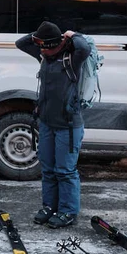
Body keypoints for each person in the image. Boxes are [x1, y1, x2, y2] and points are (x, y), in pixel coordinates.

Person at [15, 20, 95, 227]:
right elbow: (20, 43)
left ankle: (68, 211)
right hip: (47, 122)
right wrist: (40, 34)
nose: (41, 50)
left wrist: (71, 35)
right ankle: (50, 207)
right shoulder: (44, 55)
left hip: (68, 125)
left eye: (45, 45)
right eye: (40, 45)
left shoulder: (73, 57)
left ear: (55, 44)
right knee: (48, 169)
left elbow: (84, 47)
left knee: (65, 170)